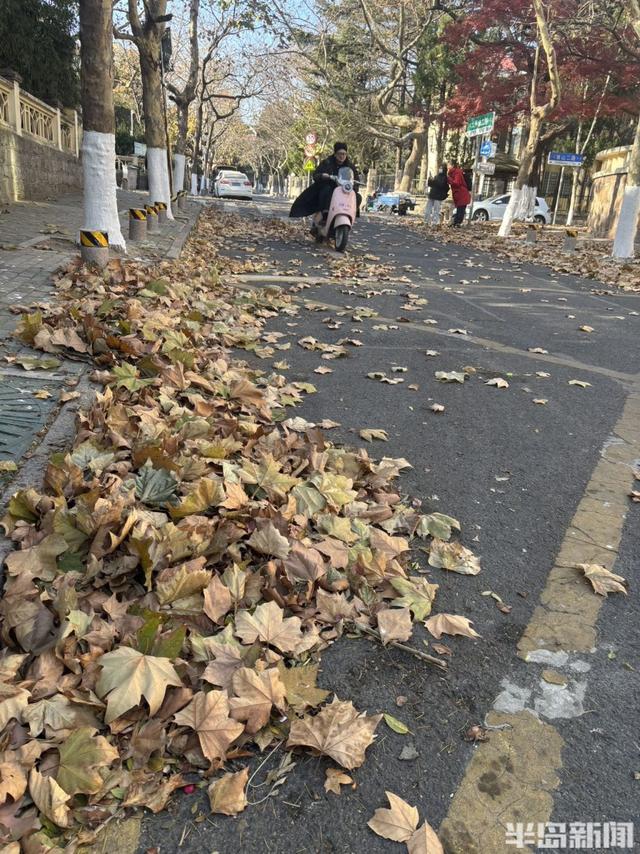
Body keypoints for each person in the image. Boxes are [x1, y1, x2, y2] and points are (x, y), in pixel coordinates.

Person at [289, 142, 361, 221]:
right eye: (340, 153)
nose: (342, 156)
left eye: (344, 154)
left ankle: (351, 214)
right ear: (335, 154)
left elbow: (356, 179)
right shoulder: (327, 163)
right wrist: (323, 175)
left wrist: (355, 185)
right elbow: (316, 175)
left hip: (344, 190)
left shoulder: (350, 166)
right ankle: (325, 214)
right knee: (326, 190)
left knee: (358, 196)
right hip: (330, 188)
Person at [448, 162, 471, 226]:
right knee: (460, 209)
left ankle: (457, 222)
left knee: (461, 209)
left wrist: (449, 180)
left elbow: (457, 183)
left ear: (452, 166)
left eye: (448, 165)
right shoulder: (453, 173)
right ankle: (456, 222)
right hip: (460, 194)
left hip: (461, 194)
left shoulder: (457, 173)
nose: (447, 167)